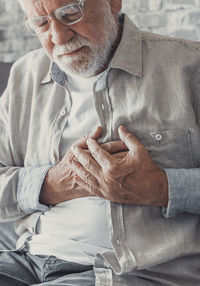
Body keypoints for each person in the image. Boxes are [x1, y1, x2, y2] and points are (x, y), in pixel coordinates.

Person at [0, 0, 200, 285]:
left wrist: (160, 188)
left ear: (112, 3)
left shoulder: (190, 66)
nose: (58, 37)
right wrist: (52, 183)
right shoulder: (25, 75)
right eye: (41, 24)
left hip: (132, 270)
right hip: (30, 258)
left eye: (70, 14)